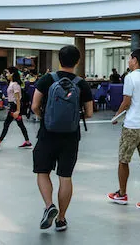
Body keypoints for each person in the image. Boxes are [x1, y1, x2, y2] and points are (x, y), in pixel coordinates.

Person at [32, 45, 94, 232]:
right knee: (65, 176)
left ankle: (49, 205)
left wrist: (45, 117)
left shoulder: (47, 80)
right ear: (77, 62)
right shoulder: (82, 84)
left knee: (42, 171)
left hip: (47, 133)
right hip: (71, 136)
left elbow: (35, 105)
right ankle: (61, 219)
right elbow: (89, 113)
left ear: (59, 60)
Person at [107, 48, 140, 210]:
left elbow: (126, 102)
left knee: (123, 160)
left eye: (130, 59)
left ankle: (122, 194)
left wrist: (116, 117)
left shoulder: (130, 78)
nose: (128, 61)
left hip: (132, 126)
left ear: (135, 60)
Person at [0, 68, 31, 150]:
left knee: (7, 124)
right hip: (12, 106)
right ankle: (27, 142)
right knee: (19, 125)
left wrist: (18, 111)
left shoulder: (15, 85)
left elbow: (18, 99)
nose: (6, 75)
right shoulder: (11, 83)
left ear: (12, 74)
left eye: (7, 73)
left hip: (14, 107)